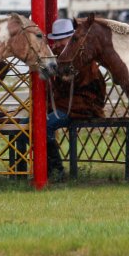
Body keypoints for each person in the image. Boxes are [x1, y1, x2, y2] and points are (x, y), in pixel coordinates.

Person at [45, 18, 107, 182]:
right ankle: (22, 170)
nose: (56, 44)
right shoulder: (58, 58)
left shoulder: (81, 56)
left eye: (60, 40)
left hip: (81, 107)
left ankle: (56, 171)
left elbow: (90, 90)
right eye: (55, 40)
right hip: (62, 106)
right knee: (27, 124)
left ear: (70, 40)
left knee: (44, 126)